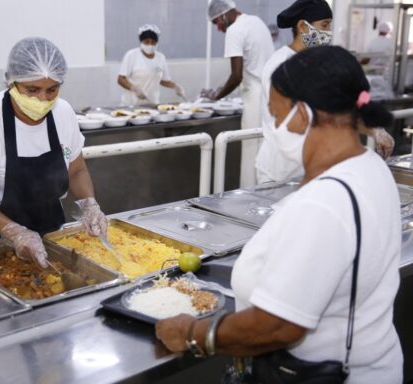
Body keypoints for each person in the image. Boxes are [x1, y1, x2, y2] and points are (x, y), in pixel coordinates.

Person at [156, 45, 403, 384]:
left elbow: (278, 326)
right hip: (376, 364)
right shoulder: (370, 166)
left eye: (274, 114)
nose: (273, 125)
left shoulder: (323, 202)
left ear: (302, 114)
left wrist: (193, 332)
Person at [0, 37, 107, 268]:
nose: (42, 99)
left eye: (52, 89)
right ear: (12, 82)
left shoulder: (63, 114)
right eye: (32, 90)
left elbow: (76, 171)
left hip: (50, 233)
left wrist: (89, 204)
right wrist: (13, 231)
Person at [256, 0, 394, 184]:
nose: (328, 32)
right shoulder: (281, 64)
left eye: (330, 25)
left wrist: (376, 129)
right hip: (282, 169)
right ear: (303, 27)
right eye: (324, 25)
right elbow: (295, 120)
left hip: (312, 165)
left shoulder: (317, 61)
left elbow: (340, 102)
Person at [204, 0, 274, 187]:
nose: (219, 29)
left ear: (224, 14)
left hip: (254, 96)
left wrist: (216, 96)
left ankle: (248, 196)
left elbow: (236, 76)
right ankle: (264, 193)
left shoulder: (234, 30)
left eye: (216, 23)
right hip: (271, 95)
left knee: (250, 149)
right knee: (264, 147)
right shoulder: (256, 22)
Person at [117, 24, 185, 106]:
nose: (150, 45)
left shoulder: (161, 57)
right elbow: (121, 79)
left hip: (152, 105)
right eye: (146, 42)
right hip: (131, 105)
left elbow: (163, 81)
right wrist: (134, 88)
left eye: (153, 42)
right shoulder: (132, 55)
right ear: (141, 41)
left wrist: (175, 86)